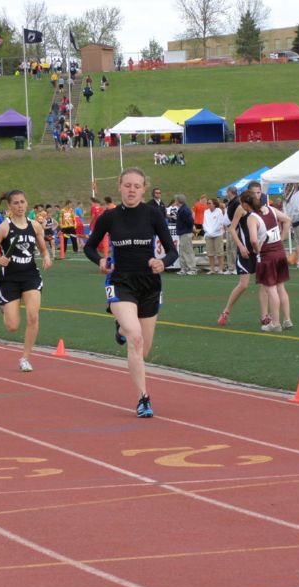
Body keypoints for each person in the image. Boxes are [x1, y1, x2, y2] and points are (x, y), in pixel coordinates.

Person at [83, 167, 178, 418]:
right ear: (119, 186)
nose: (132, 190)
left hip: (149, 284)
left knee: (142, 350)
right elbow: (90, 247)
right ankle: (143, 399)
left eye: (137, 186)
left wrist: (163, 263)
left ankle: (121, 327)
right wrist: (101, 262)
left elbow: (172, 251)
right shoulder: (109, 217)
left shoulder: (153, 214)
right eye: (127, 185)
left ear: (144, 188)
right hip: (120, 281)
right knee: (135, 338)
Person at [0, 190, 52, 372]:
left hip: (30, 276)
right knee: (12, 327)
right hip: (9, 280)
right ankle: (4, 306)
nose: (20, 206)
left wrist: (46, 257)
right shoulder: (4, 228)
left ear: (27, 203)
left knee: (33, 316)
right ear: (9, 206)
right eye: (16, 203)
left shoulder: (35, 226)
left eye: (22, 202)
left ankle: (25, 358)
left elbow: (43, 248)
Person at [246, 190, 293, 332]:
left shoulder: (252, 217)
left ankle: (276, 323)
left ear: (245, 204)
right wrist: (282, 238)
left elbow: (254, 239)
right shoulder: (271, 209)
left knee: (271, 289)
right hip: (279, 252)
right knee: (281, 288)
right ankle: (287, 319)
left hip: (267, 255)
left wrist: (257, 249)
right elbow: (288, 220)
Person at [217, 187, 260, 326]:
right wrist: (240, 246)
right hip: (245, 250)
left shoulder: (261, 208)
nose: (257, 195)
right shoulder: (241, 209)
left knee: (265, 285)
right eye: (255, 192)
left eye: (259, 192)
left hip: (259, 249)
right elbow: (232, 229)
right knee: (243, 285)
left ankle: (266, 315)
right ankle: (225, 312)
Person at [174, 194, 196, 275]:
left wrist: (189, 229)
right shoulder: (182, 209)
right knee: (182, 251)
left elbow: (190, 221)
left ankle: (192, 268)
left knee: (187, 251)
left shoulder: (185, 210)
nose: (175, 201)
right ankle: (184, 268)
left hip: (185, 232)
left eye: (176, 200)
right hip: (183, 232)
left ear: (178, 201)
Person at [203, 196, 225, 274]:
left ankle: (220, 269)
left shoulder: (219, 211)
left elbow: (220, 223)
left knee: (220, 252)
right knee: (210, 253)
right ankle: (212, 269)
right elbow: (204, 223)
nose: (208, 204)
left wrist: (213, 231)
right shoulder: (206, 212)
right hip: (208, 234)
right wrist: (208, 231)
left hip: (217, 234)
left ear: (214, 204)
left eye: (209, 203)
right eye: (207, 203)